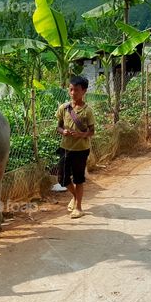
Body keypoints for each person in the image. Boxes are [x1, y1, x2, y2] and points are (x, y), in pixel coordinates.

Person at [56, 76, 96, 219]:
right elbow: (58, 127)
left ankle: (78, 208)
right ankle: (75, 196)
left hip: (81, 150)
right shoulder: (64, 108)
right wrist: (63, 132)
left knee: (78, 179)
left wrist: (81, 134)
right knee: (62, 178)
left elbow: (92, 131)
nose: (73, 93)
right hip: (65, 148)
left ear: (84, 91)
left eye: (77, 90)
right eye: (71, 89)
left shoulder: (87, 111)